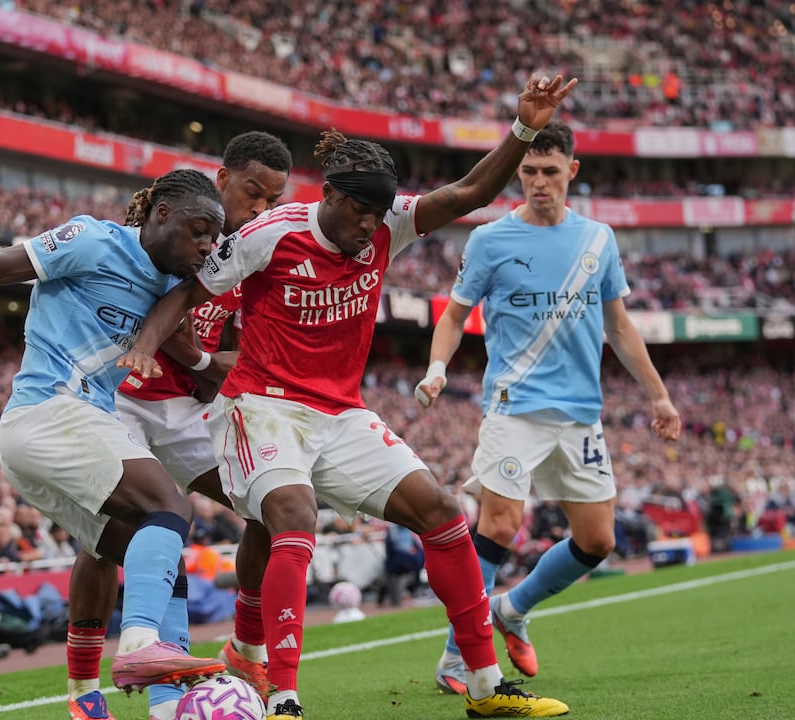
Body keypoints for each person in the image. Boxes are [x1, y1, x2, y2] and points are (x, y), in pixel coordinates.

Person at [120, 73, 578, 720]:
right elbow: (187, 294)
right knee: (292, 514)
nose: (368, 227)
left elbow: (473, 191)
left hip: (340, 412)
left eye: (376, 214)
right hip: (262, 406)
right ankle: (282, 699)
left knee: (444, 514)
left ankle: (483, 688)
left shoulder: (389, 221)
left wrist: (524, 128)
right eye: (358, 212)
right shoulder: (270, 233)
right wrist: (148, 341)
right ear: (329, 195)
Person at [0, 168, 230, 695]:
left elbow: (195, 363)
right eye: (198, 230)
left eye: (213, 237)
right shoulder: (94, 239)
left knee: (149, 554)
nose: (206, 244)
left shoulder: (172, 288)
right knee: (172, 509)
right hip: (50, 410)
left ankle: (103, 700)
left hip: (56, 431)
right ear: (162, 214)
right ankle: (138, 648)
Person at [413, 119, 682, 688]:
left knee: (598, 541)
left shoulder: (598, 239)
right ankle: (457, 657)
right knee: (501, 523)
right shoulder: (489, 240)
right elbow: (456, 315)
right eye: (529, 171)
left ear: (571, 172)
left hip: (580, 412)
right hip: (514, 406)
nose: (538, 182)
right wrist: (437, 369)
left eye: (549, 172)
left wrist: (658, 395)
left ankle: (513, 610)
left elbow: (619, 325)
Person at [64, 130, 291, 720]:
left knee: (269, 502)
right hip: (120, 401)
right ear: (222, 179)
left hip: (188, 411)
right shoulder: (175, 232)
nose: (261, 208)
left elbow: (236, 361)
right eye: (252, 192)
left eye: (272, 199)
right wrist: (190, 356)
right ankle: (85, 692)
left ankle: (244, 646)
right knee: (108, 539)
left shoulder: (256, 252)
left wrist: (196, 361)